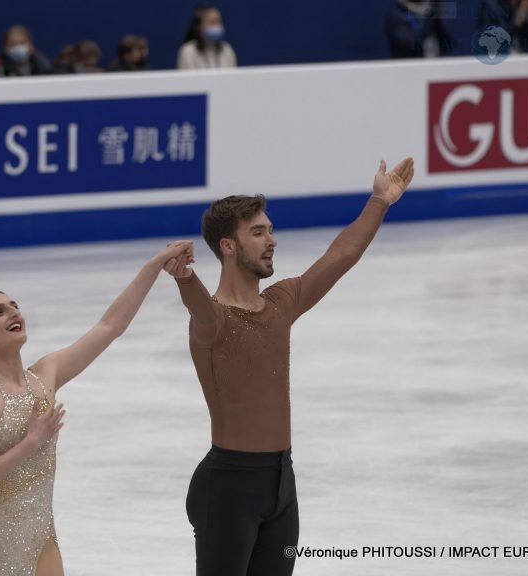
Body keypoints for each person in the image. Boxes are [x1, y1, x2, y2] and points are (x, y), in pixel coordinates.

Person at [165, 158, 415, 575]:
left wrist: (379, 201)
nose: (271, 240)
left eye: (271, 230)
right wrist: (185, 279)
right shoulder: (214, 320)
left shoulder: (282, 302)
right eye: (258, 232)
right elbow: (198, 308)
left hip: (280, 484)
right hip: (228, 486)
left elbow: (342, 254)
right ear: (228, 246)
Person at [0, 240, 194, 576]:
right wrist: (30, 442)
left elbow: (110, 326)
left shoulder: (45, 375)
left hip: (39, 535)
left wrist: (156, 263)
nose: (14, 312)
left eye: (13, 305)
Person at [384, 0, 455, 58]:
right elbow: (410, 44)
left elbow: (448, 45)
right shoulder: (397, 15)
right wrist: (429, 17)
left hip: (433, 67)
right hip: (408, 70)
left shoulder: (426, 13)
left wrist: (436, 20)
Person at [177, 3, 237, 69]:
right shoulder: (189, 51)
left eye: (219, 22)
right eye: (212, 22)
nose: (217, 26)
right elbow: (189, 78)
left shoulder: (226, 50)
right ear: (199, 27)